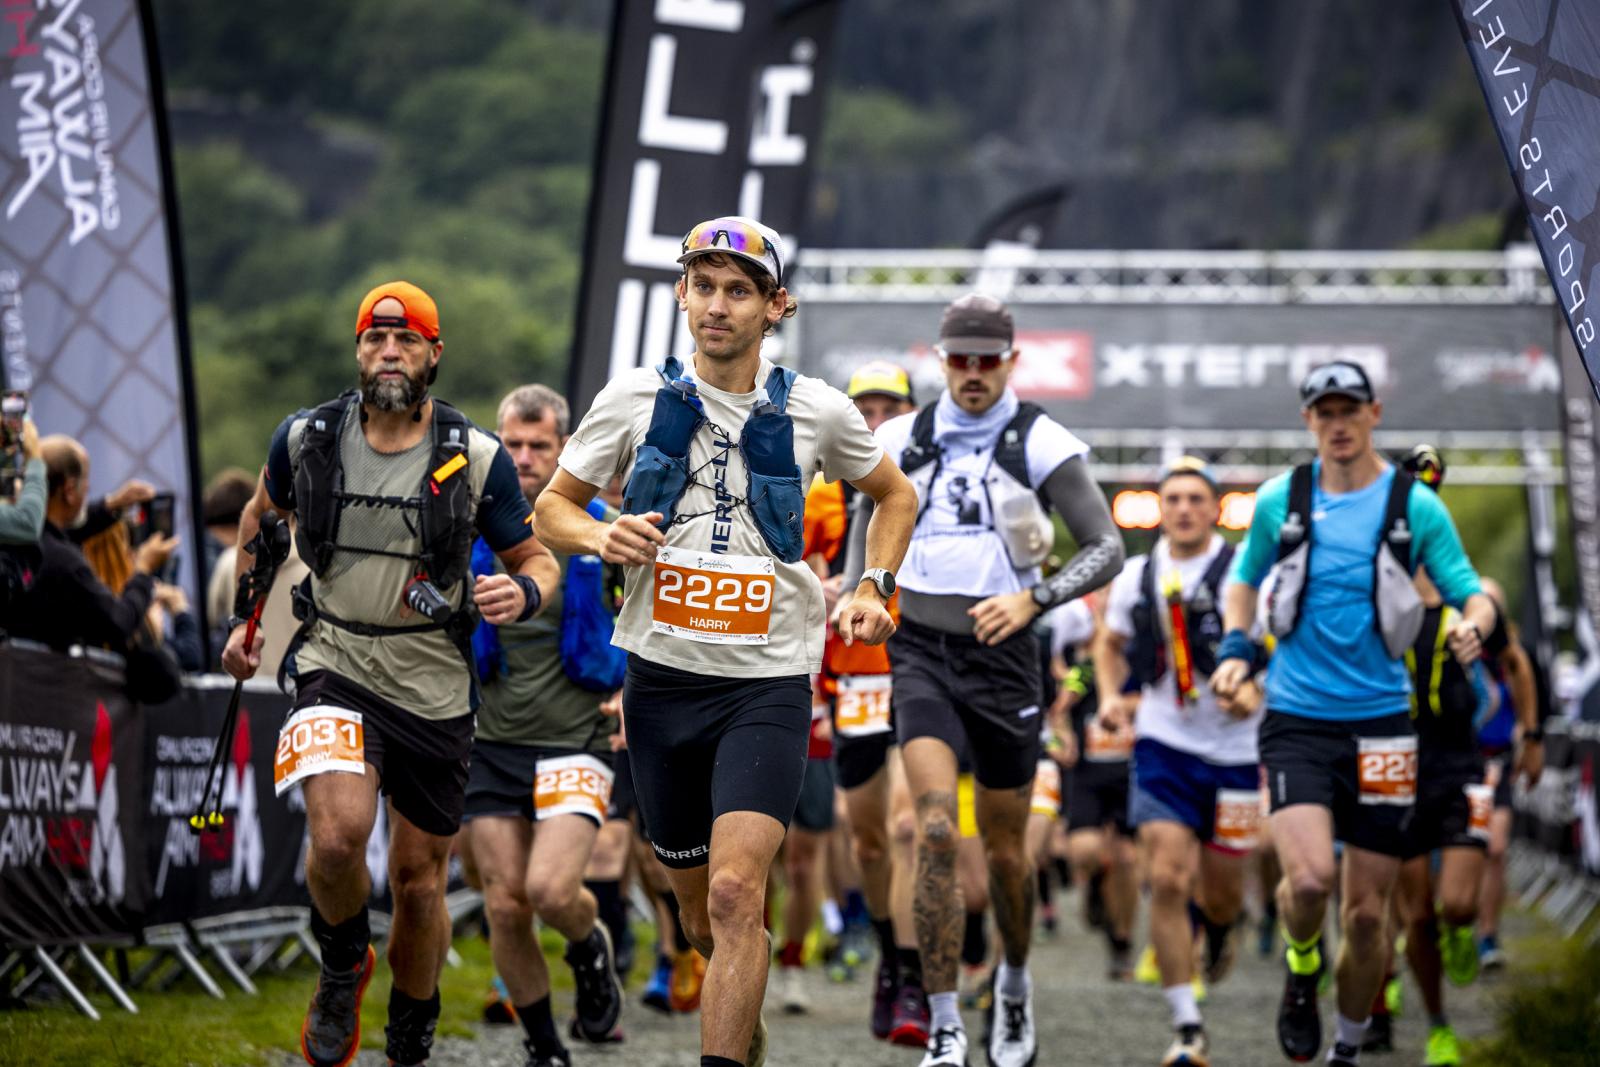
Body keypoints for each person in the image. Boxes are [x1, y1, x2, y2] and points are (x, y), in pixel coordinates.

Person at [534, 215, 917, 1067]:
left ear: (774, 306)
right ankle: (741, 1021)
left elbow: (895, 495)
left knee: (739, 892)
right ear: (682, 294)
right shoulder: (633, 397)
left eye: (738, 290)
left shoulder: (817, 408)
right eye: (703, 286)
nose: (717, 305)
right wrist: (600, 535)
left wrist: (873, 584)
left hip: (766, 685)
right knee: (700, 915)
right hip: (662, 682)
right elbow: (550, 508)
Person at [221, 281, 561, 1067]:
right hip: (334, 659)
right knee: (338, 836)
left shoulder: (476, 456)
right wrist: (243, 622)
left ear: (434, 354)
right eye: (375, 339)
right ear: (358, 350)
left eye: (406, 340)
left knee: (416, 880)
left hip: (433, 681)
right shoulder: (306, 437)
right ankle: (343, 960)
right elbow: (260, 520)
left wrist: (525, 590)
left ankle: (410, 1032)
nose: (389, 352)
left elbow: (535, 555)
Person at [853, 293, 1124, 1067]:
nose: (973, 374)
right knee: (934, 829)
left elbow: (1106, 546)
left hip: (1005, 657)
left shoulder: (1039, 438)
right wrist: (862, 589)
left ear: (1010, 362)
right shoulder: (901, 436)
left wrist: (1036, 598)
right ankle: (943, 1021)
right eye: (961, 360)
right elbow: (869, 520)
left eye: (987, 361)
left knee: (1006, 853)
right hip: (921, 652)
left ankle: (1013, 982)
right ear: (941, 362)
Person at [1211, 361, 1496, 1066]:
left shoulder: (1414, 506)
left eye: (1349, 410)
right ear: (1308, 421)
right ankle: (1302, 961)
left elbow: (1469, 589)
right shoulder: (1281, 499)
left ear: (1374, 413)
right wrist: (1237, 647)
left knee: (1369, 915)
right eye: (1324, 412)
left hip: (1384, 725)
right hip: (1297, 718)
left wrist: (1474, 625)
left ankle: (1346, 1047)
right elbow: (1243, 582)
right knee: (1309, 879)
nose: (1337, 424)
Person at [463, 384, 626, 1067]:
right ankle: (545, 1046)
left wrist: (634, 691)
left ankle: (590, 948)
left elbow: (655, 620)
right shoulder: (467, 527)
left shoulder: (603, 528)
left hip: (576, 736)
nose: (524, 457)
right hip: (490, 741)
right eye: (513, 443)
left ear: (565, 449)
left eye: (539, 445)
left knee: (551, 891)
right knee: (504, 904)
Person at [1095, 457, 1264, 1067]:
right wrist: (1110, 696)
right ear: (1159, 510)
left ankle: (1219, 928)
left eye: (1196, 499)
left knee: (1221, 893)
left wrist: (1256, 691)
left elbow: (1279, 646)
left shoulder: (1248, 571)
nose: (1184, 509)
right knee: (1166, 878)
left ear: (1215, 508)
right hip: (1163, 741)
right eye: (1173, 499)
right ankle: (1187, 1025)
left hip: (1237, 751)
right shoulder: (1138, 574)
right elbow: (1110, 643)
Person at [1387, 450, 1540, 1067]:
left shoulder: (1469, 595)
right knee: (1415, 915)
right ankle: (1438, 1025)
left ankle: (1464, 931)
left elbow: (1516, 663)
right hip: (1395, 767)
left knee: (1455, 904)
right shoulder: (1374, 590)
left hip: (1460, 763)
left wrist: (1531, 733)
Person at [804, 360, 923, 1041]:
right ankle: (886, 949)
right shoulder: (823, 494)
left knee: (909, 827)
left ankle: (913, 975)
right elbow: (788, 570)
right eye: (866, 409)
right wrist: (820, 589)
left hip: (916, 670)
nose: (877, 421)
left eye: (890, 409)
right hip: (853, 679)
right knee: (870, 839)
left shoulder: (925, 484)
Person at [0, 435, 178, 653]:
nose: (89, 487)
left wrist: (110, 506)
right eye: (85, 482)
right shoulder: (68, 564)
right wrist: (143, 570)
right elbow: (118, 622)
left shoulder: (20, 544)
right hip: (60, 673)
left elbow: (61, 531)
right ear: (69, 490)